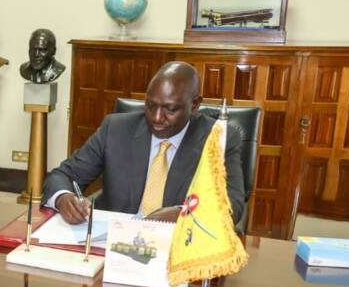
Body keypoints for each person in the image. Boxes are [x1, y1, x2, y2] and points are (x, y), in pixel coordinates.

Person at [43, 62, 245, 225]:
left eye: (170, 109)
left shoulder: (217, 140)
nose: (157, 117)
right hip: (112, 243)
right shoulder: (116, 129)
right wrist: (63, 198)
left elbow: (231, 205)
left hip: (178, 248)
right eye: (150, 106)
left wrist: (182, 214)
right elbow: (63, 175)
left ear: (194, 105)